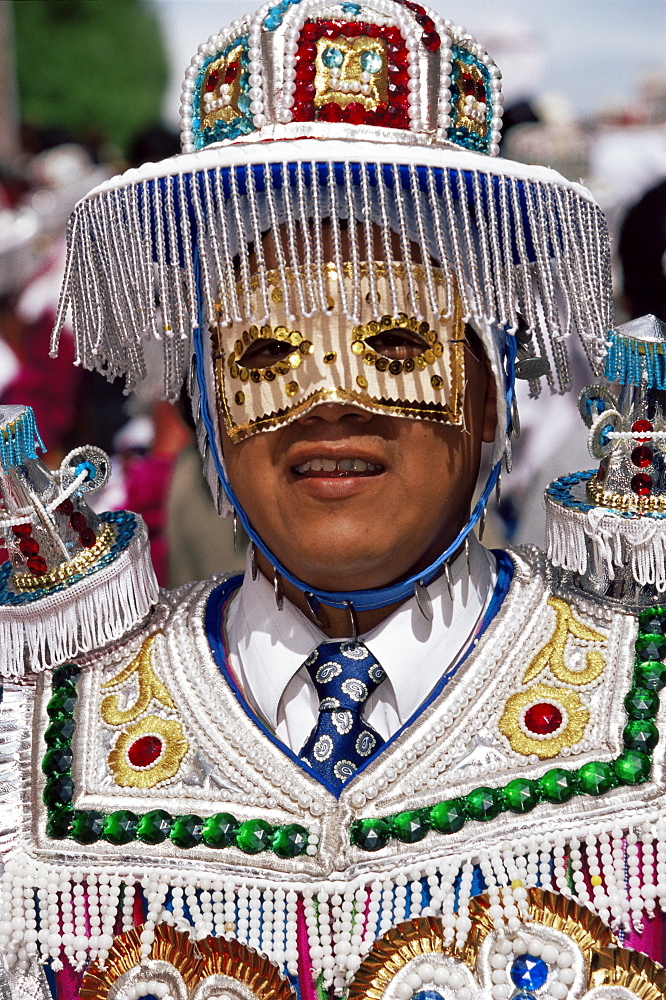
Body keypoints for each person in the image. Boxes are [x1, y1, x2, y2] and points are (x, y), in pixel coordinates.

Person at [0, 3, 665, 999]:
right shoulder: (41, 736)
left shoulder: (646, 703)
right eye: (267, 354)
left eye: (398, 347)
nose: (331, 403)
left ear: (495, 387)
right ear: (209, 398)